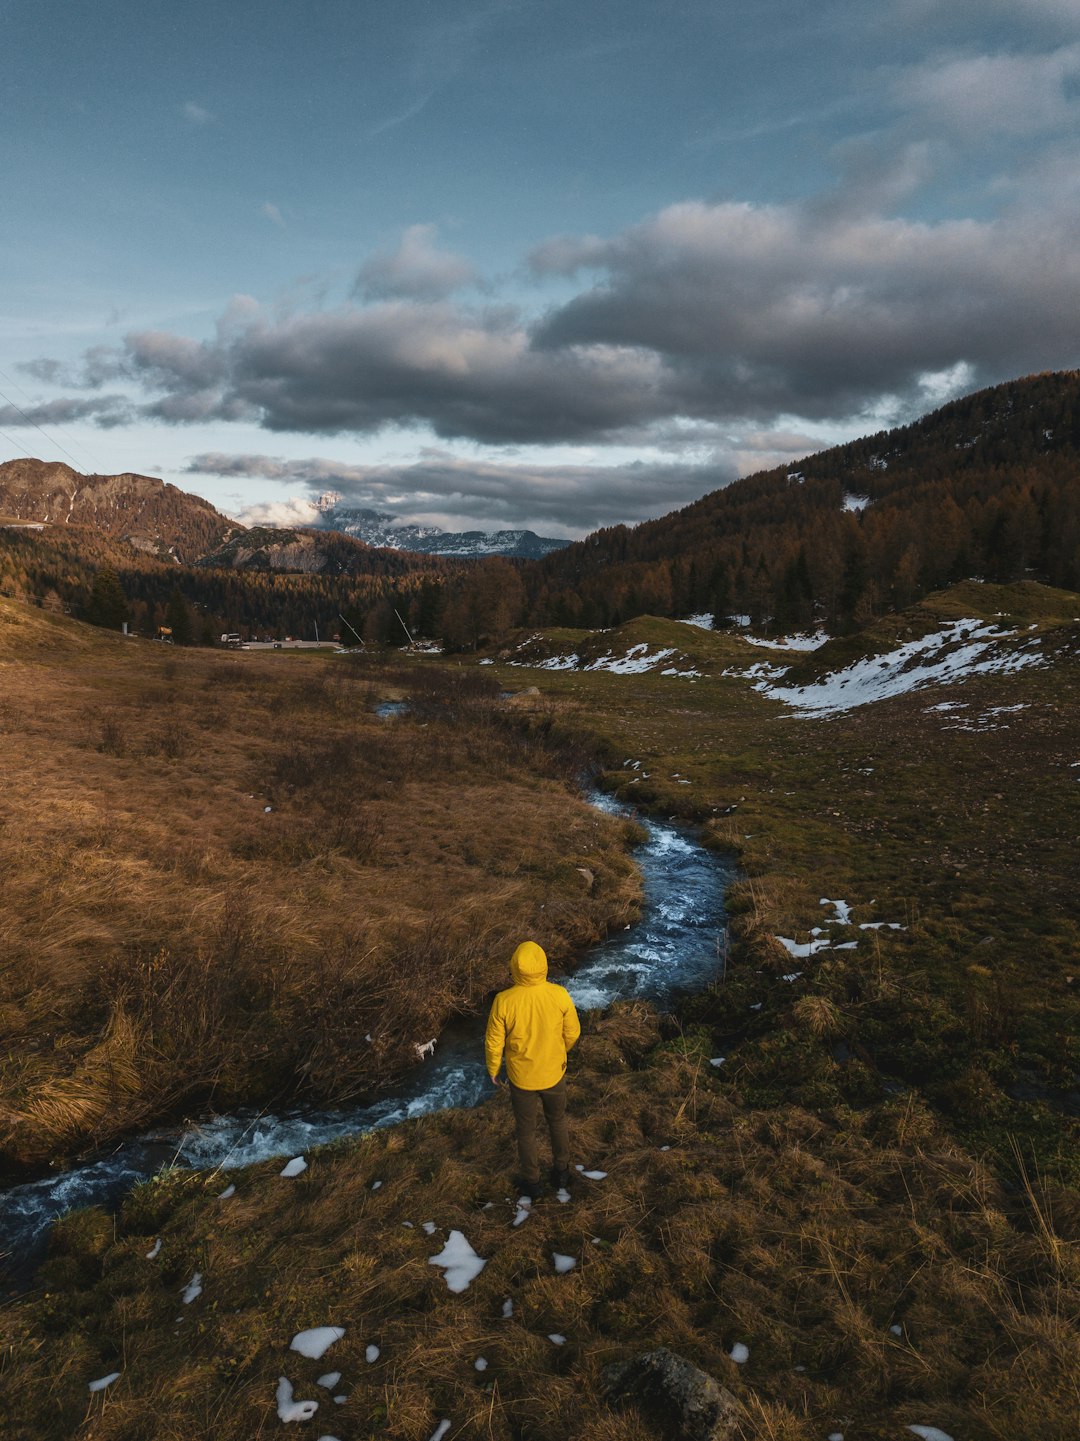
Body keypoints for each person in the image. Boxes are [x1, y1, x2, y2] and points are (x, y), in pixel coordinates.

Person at [484, 940, 581, 1200]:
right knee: (557, 1122)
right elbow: (572, 1032)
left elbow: (494, 1041)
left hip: (521, 1079)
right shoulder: (559, 994)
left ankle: (532, 1183)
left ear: (514, 966)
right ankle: (562, 1173)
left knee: (526, 1131)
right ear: (543, 965)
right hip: (554, 1073)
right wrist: (560, 1053)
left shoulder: (503, 1001)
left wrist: (493, 1068)